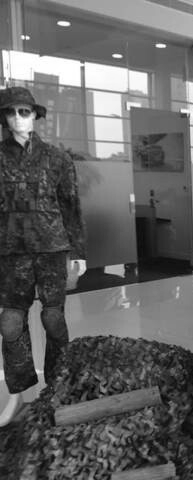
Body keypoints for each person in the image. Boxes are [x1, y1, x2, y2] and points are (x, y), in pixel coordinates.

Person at [0, 86, 87, 426]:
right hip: (10, 251)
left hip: (52, 248)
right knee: (11, 323)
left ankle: (58, 385)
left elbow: (71, 206)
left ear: (35, 115)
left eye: (24, 111)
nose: (18, 118)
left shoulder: (57, 159)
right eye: (11, 112)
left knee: (53, 318)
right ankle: (18, 394)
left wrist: (78, 251)